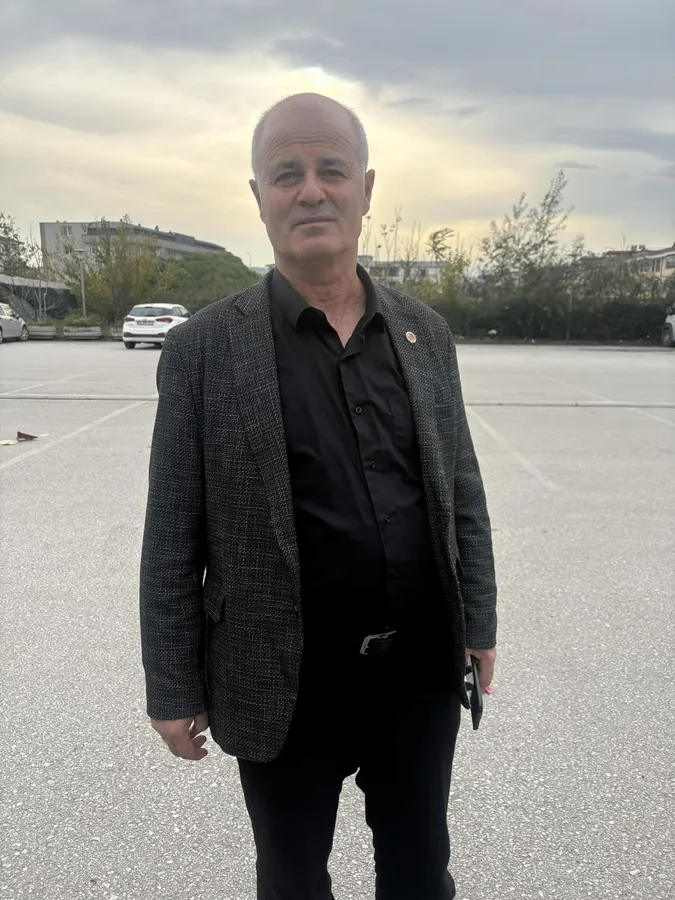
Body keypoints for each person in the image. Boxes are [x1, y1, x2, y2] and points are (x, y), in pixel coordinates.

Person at [140, 92, 497, 900]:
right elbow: (171, 536)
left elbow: (461, 493)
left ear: (364, 190)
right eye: (286, 174)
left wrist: (478, 624)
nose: (310, 191)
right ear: (258, 196)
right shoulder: (203, 351)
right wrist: (172, 686)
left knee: (420, 874)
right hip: (280, 680)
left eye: (331, 170)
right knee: (293, 880)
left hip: (417, 675)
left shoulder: (425, 334)